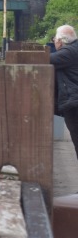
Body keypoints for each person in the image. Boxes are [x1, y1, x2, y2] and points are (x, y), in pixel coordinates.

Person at [50, 24, 78, 160]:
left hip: (74, 104)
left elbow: (46, 60)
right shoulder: (74, 49)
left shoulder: (68, 53)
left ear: (61, 41)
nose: (54, 41)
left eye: (54, 38)